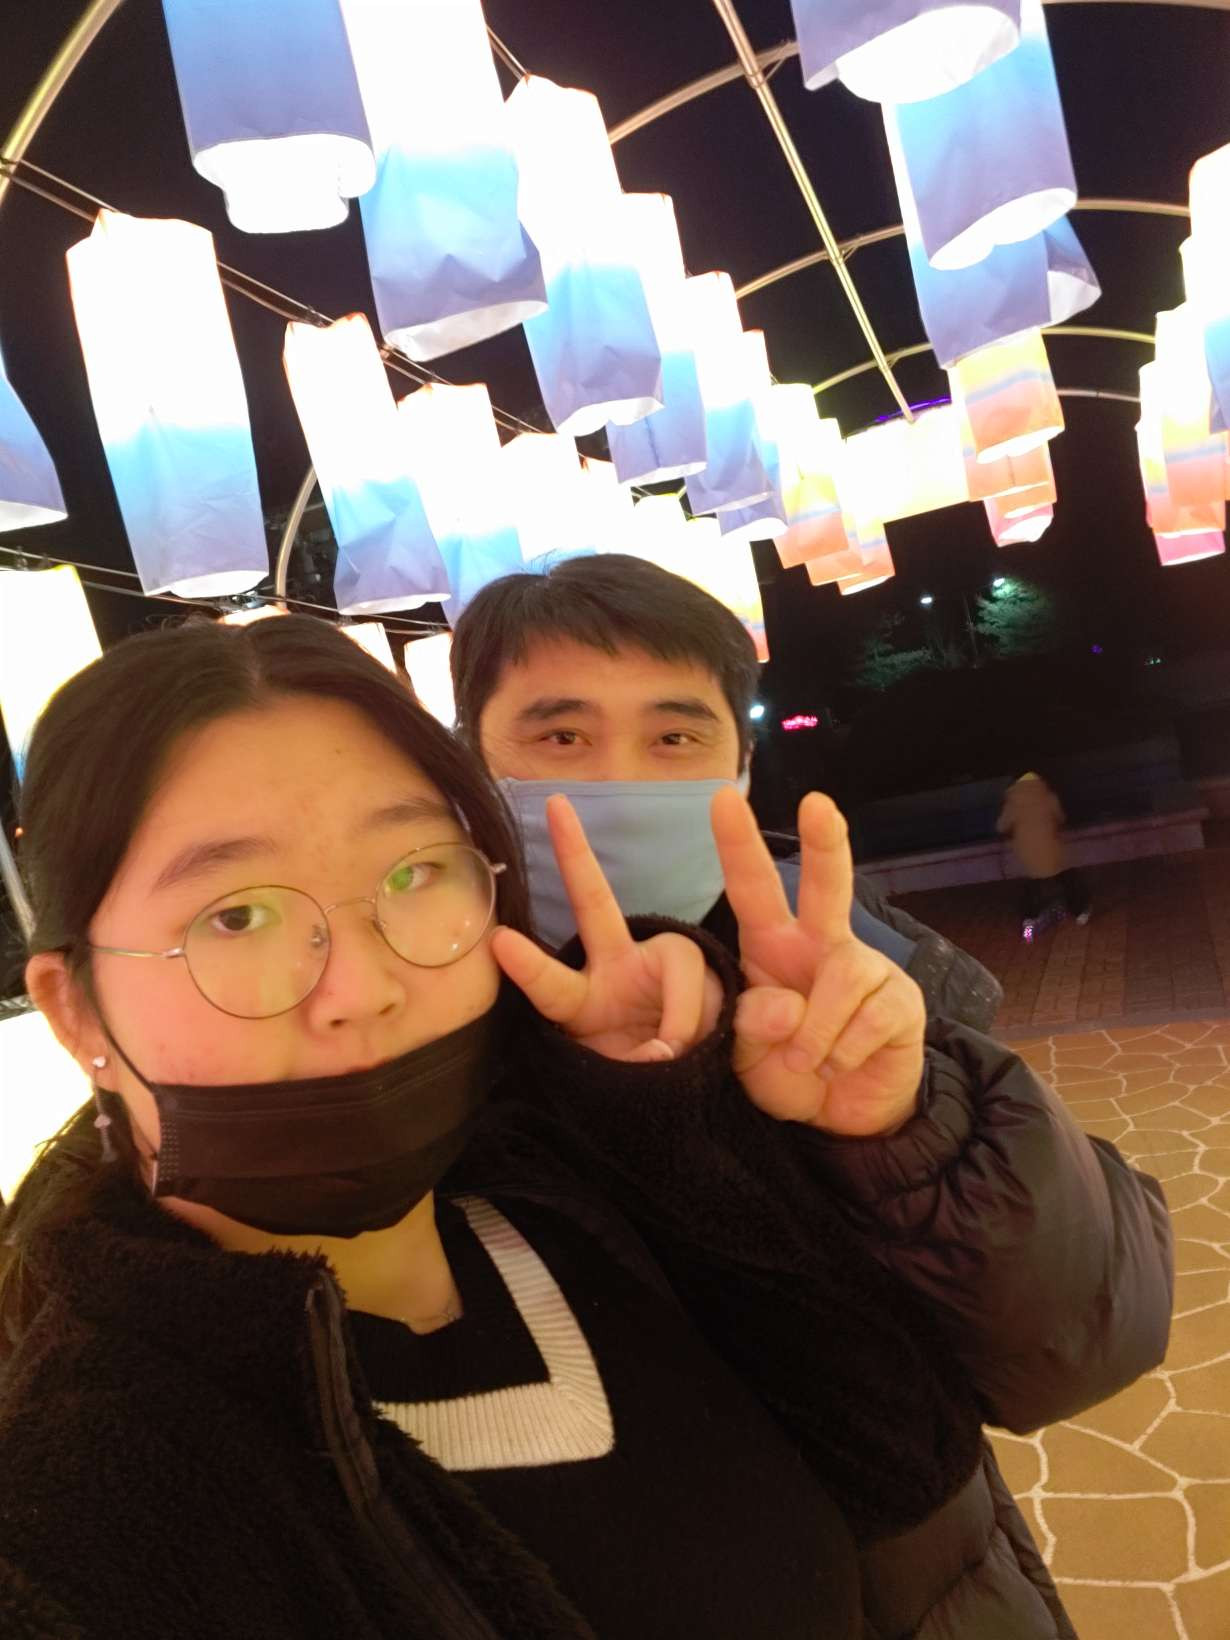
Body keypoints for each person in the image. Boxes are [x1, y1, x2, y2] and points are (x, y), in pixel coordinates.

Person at [0, 616, 1171, 1640]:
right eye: (236, 914)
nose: (361, 985)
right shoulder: (82, 1507)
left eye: (414, 875)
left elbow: (976, 1419)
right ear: (73, 1008)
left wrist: (867, 1125)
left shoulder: (613, 1194)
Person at [450, 552, 1004, 1031]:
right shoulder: (417, 995)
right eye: (563, 737)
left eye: (674, 737)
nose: (622, 781)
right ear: (469, 757)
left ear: (743, 763)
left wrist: (899, 1109)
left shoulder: (864, 961)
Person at [998, 771, 1092, 938]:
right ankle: (1080, 913)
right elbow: (1060, 818)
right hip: (1051, 849)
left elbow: (1001, 826)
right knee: (1067, 880)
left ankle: (1028, 922)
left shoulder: (1012, 802)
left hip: (1027, 852)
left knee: (1032, 888)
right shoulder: (1049, 797)